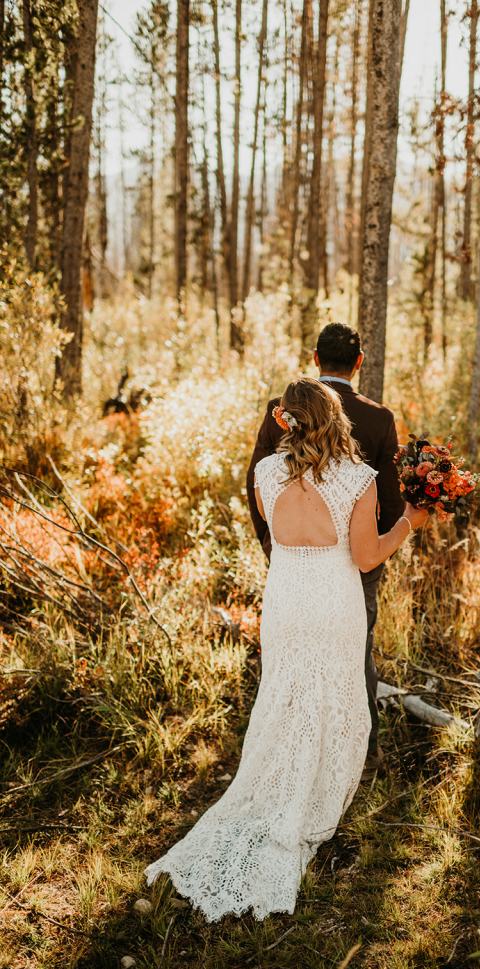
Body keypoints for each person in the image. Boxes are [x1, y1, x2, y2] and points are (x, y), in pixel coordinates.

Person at [145, 379, 427, 921]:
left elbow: (274, 530)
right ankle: (312, 798)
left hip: (285, 595)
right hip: (332, 597)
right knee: (334, 695)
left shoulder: (264, 473)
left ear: (287, 420)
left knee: (284, 695)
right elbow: (367, 558)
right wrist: (410, 523)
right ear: (333, 416)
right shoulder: (357, 477)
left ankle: (272, 787)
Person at [247, 323, 405, 776]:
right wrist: (386, 545)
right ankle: (360, 754)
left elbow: (255, 478)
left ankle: (290, 751)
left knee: (291, 654)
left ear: (316, 358)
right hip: (359, 555)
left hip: (290, 559)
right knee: (355, 653)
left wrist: (275, 544)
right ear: (359, 362)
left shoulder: (284, 410)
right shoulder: (378, 418)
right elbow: (390, 499)